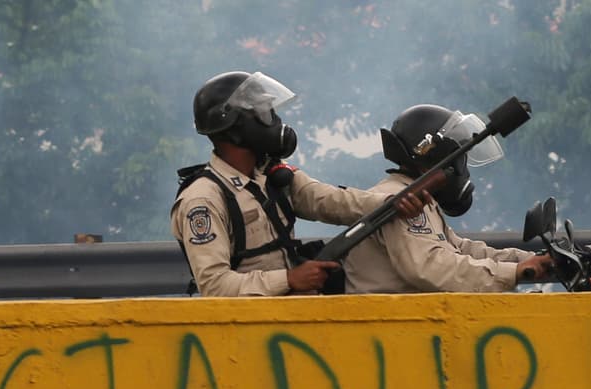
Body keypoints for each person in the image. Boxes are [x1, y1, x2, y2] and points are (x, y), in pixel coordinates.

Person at [171, 71, 427, 297]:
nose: (273, 120)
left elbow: (333, 202)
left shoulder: (271, 175)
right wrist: (289, 279)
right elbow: (215, 286)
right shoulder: (203, 199)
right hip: (247, 328)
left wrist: (394, 202)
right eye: (263, 112)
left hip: (296, 312)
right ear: (234, 127)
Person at [343, 103, 553, 294]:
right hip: (390, 326)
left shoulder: (417, 198)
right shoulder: (399, 201)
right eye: (460, 156)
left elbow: (460, 250)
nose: (463, 168)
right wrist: (514, 272)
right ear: (438, 156)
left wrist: (528, 259)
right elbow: (430, 267)